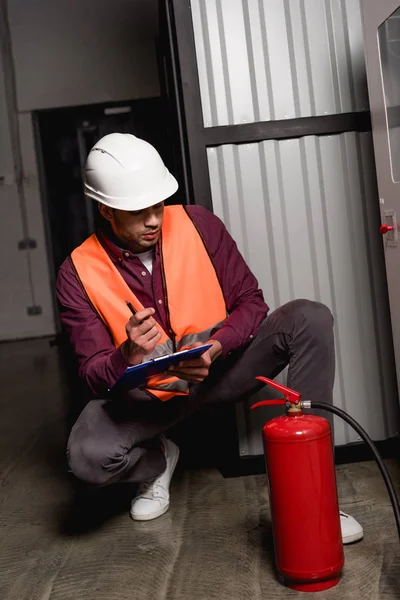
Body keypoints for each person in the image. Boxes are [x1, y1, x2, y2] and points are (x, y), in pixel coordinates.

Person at [56, 133, 363, 544]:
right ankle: (160, 459)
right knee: (85, 460)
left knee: (309, 317)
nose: (153, 220)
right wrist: (126, 354)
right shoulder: (75, 273)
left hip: (221, 373)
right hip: (147, 401)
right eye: (138, 211)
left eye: (158, 205)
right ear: (106, 210)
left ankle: (315, 496)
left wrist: (217, 346)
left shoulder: (199, 224)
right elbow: (93, 375)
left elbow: (251, 302)